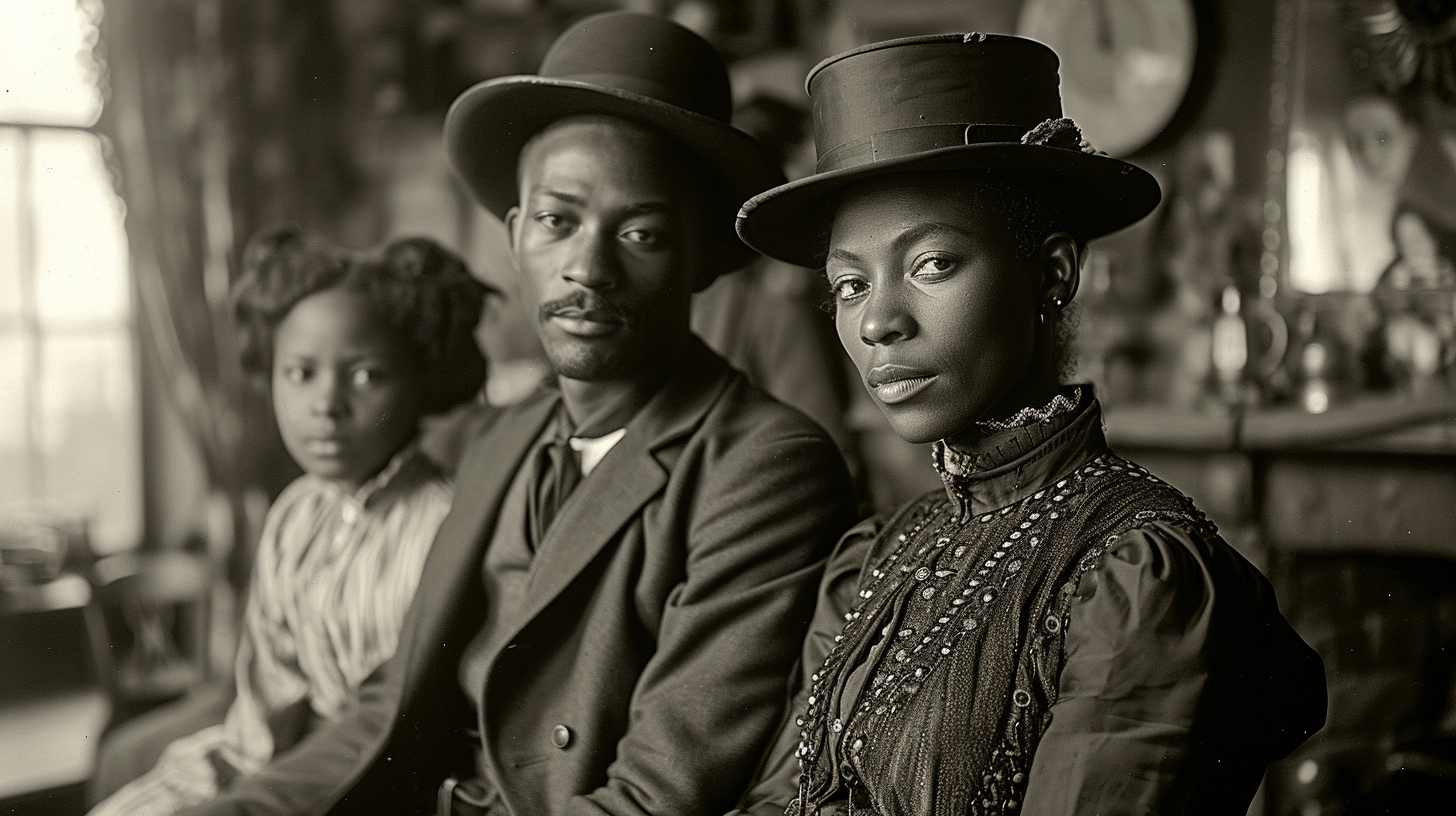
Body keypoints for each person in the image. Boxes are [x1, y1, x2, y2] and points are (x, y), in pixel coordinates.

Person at [175, 12, 857, 816]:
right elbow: (390, 703)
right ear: (514, 237)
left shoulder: (764, 466)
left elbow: (656, 797)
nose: (586, 268)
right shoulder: (502, 437)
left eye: (641, 233)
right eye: (557, 221)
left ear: (702, 256)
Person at [733, 34, 1328, 816]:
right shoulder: (876, 560)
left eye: (933, 264)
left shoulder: (1138, 575)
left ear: (1052, 273)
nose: (878, 321)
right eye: (849, 284)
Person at [89, 227, 492, 816]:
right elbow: (262, 717)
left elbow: (415, 728)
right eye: (300, 373)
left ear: (419, 381)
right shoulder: (295, 516)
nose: (326, 406)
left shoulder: (444, 520)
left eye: (366, 376)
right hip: (283, 764)